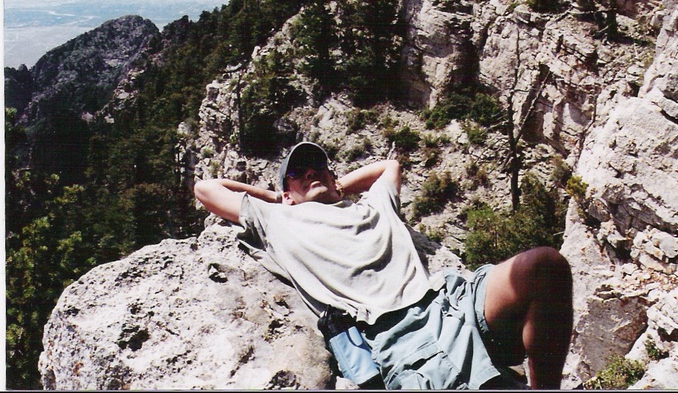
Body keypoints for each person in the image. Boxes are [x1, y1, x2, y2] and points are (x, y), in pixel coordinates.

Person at [194, 141, 573, 389]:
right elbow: (206, 189)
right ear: (285, 192)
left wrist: (335, 187)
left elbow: (388, 167)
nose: (310, 172)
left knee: (544, 265)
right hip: (391, 331)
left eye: (317, 166)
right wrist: (281, 199)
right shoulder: (276, 219)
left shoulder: (374, 205)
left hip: (448, 299)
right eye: (298, 171)